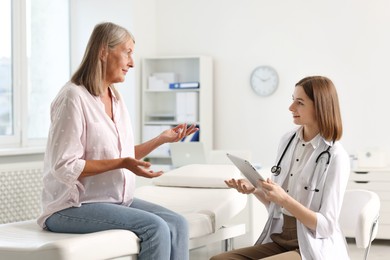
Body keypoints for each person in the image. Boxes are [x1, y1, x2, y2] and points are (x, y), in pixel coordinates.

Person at [37, 22, 197, 260]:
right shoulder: (73, 97)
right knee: (156, 228)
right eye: (128, 52)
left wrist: (160, 140)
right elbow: (65, 166)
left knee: (179, 224)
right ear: (103, 51)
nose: (132, 63)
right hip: (71, 206)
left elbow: (119, 154)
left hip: (115, 201)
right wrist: (122, 163)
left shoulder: (116, 99)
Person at [211, 76, 350, 260]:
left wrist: (284, 199)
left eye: (299, 102)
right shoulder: (287, 141)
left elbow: (326, 226)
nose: (291, 108)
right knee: (219, 259)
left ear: (320, 106)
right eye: (292, 100)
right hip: (281, 238)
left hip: (312, 245)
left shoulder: (336, 156)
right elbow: (275, 205)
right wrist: (255, 189)